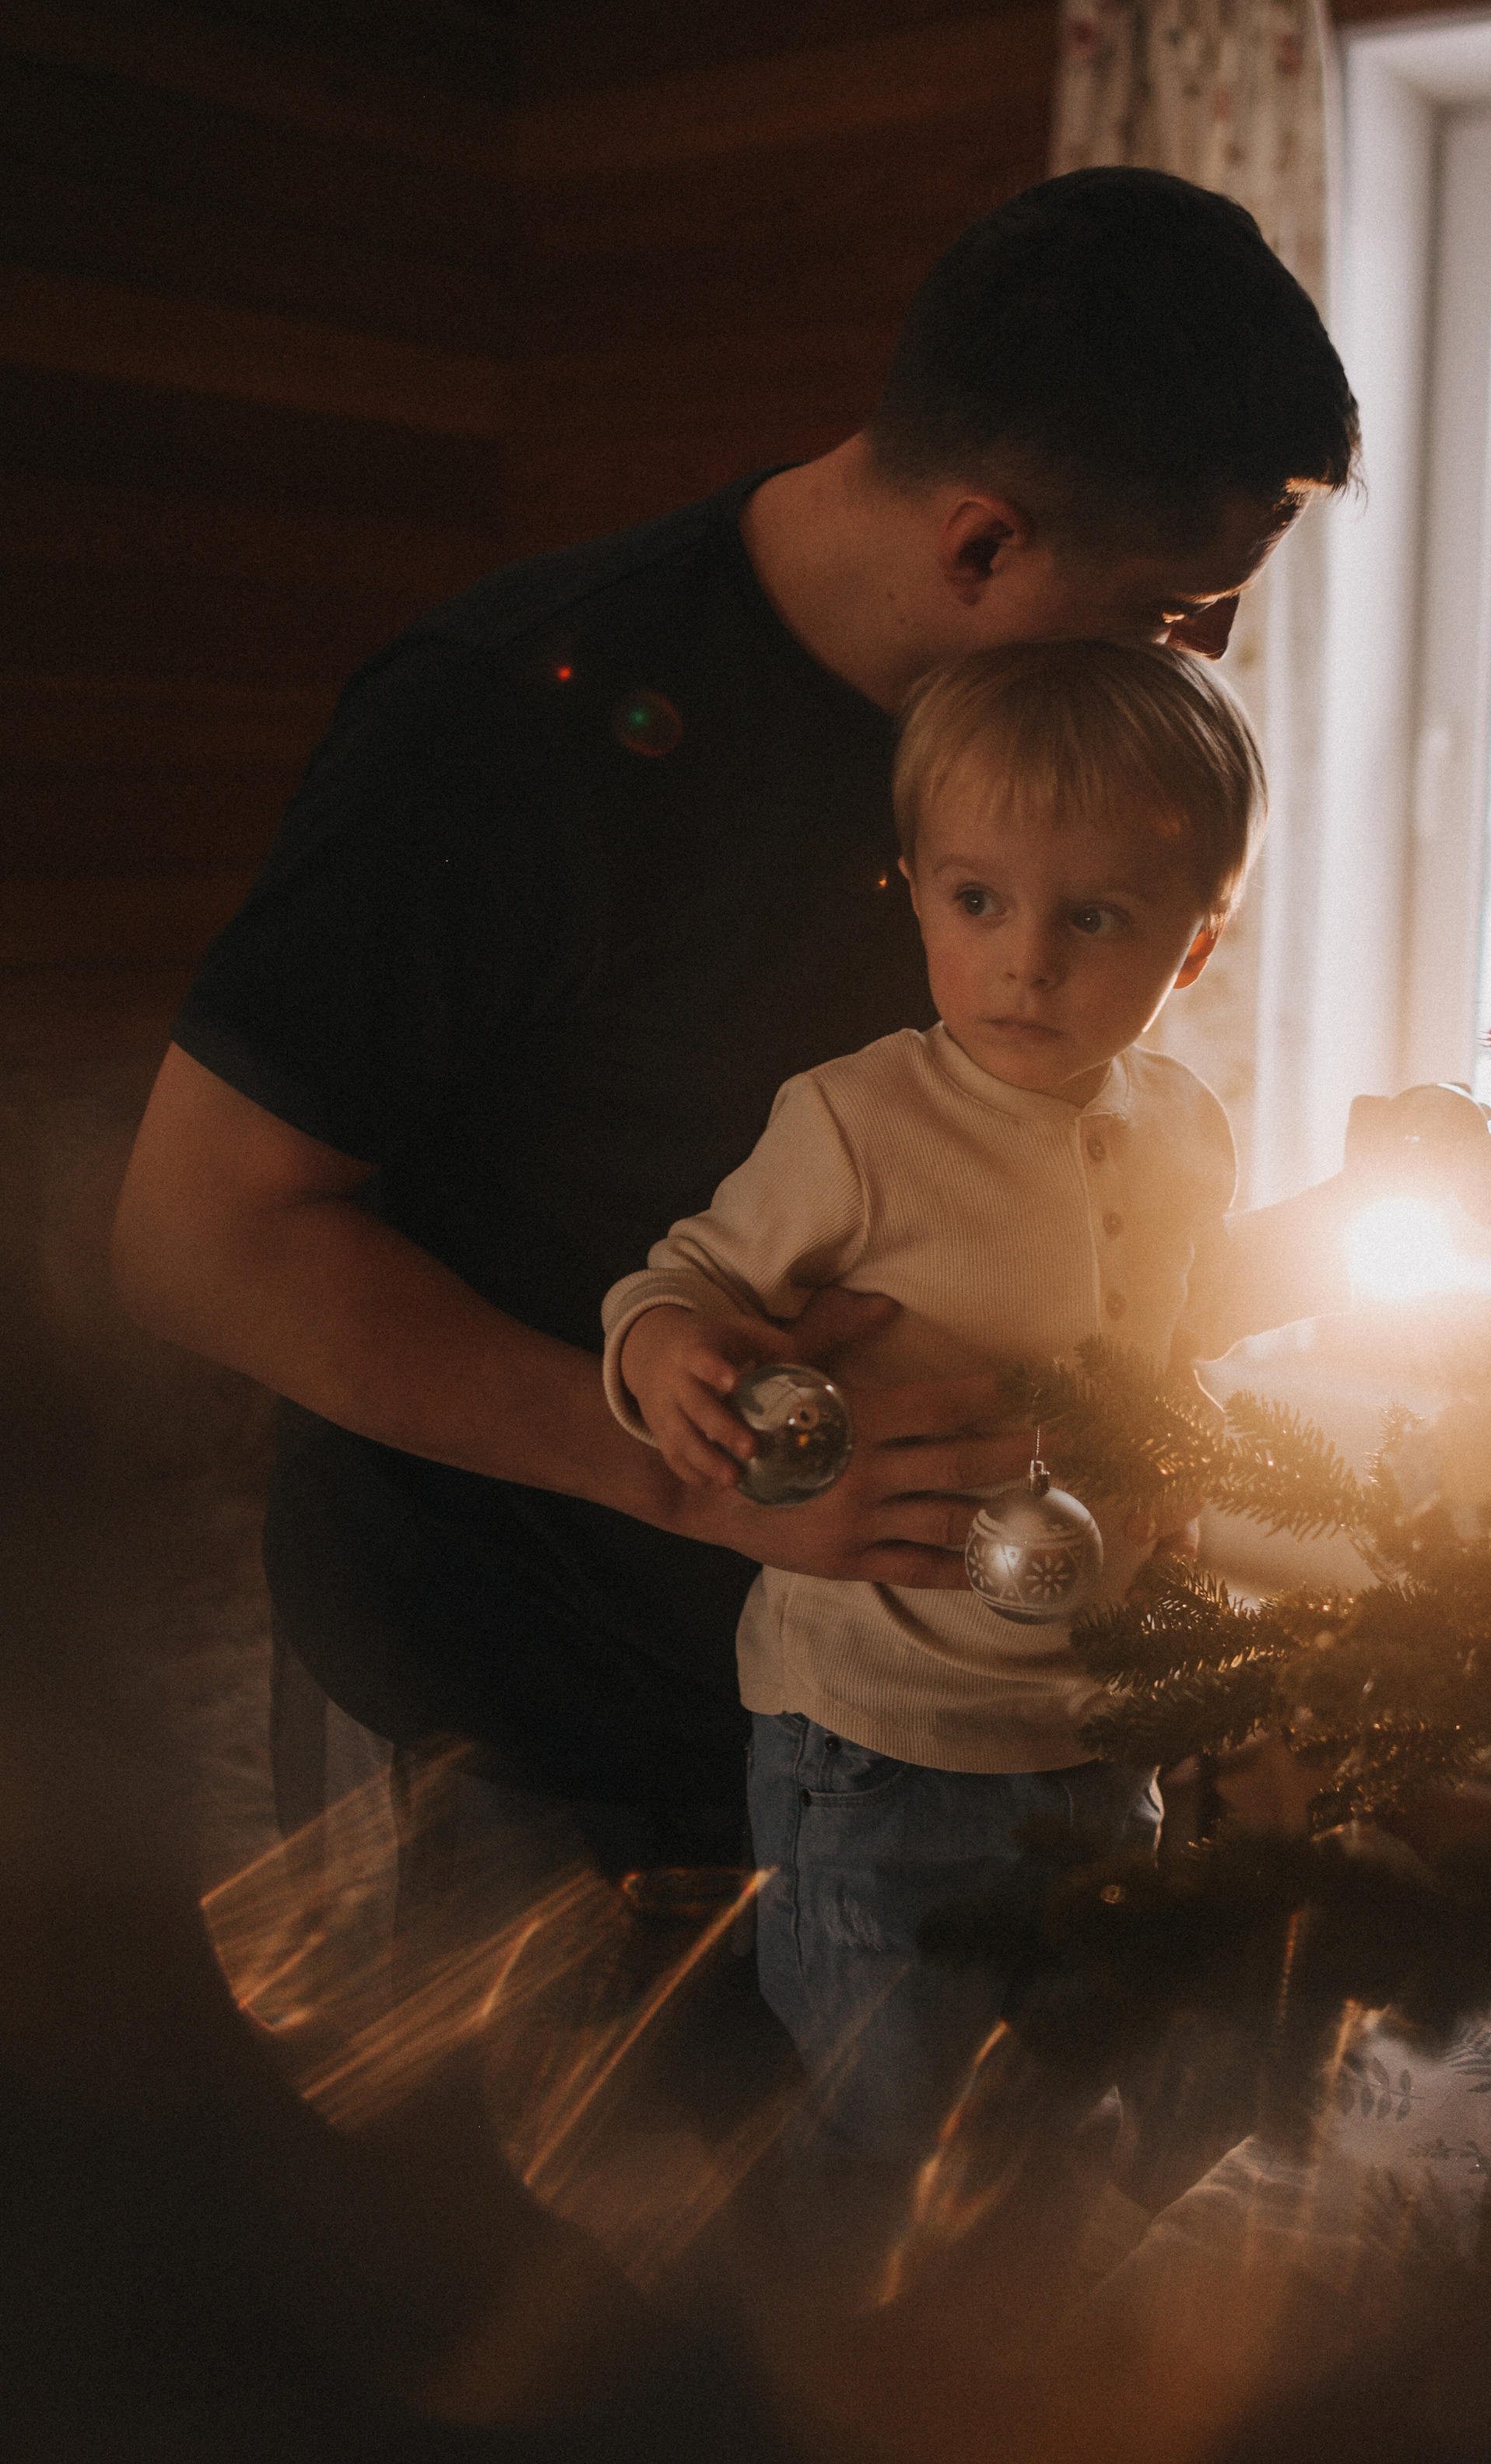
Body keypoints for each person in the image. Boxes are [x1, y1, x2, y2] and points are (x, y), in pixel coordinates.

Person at [111, 167, 1361, 1900]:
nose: (1198, 662)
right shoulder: (496, 726)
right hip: (521, 1720)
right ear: (980, 540)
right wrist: (694, 1482)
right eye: (1170, 611)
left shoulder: (1031, 765)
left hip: (907, 1722)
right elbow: (195, 1238)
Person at [599, 639, 1426, 2251]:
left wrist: (1349, 1222)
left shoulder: (1182, 1126)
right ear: (915, 892)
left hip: (1096, 1729)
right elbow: (682, 1276)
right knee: (890, 2134)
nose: (1024, 964)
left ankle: (1025, 2379)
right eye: (976, 903)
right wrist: (667, 1348)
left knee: (1053, 2101)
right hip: (882, 1737)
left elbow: (1177, 1316)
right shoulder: (854, 1122)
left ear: (1193, 947)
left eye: (1093, 918)